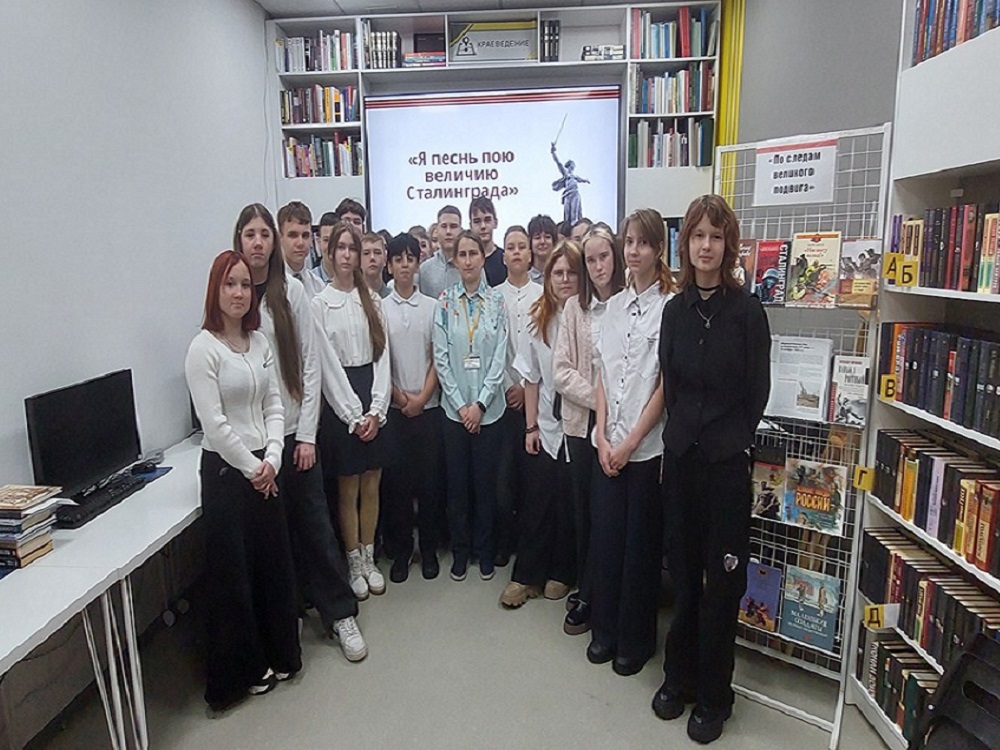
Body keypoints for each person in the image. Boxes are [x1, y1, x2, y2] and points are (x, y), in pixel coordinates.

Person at [653, 195, 771, 745]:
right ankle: (678, 677)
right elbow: (671, 384)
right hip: (681, 461)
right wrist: (689, 434)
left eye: (716, 237)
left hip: (724, 467)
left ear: (729, 246)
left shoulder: (748, 313)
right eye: (697, 236)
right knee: (682, 574)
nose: (706, 246)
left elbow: (756, 393)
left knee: (721, 583)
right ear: (686, 245)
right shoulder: (674, 311)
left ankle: (714, 695)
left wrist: (727, 440)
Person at [235, 203, 368, 662]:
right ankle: (283, 616)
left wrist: (307, 435)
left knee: (315, 527)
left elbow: (311, 367)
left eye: (263, 235)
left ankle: (340, 613)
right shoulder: (233, 294)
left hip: (294, 434)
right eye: (250, 234)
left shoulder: (291, 292)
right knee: (272, 538)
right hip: (254, 442)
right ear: (239, 240)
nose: (258, 243)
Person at [185, 250, 300, 710]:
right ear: (215, 290)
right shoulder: (203, 349)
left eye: (245, 285)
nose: (238, 293)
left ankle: (281, 652)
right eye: (229, 284)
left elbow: (274, 405)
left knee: (273, 566)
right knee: (235, 577)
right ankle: (245, 671)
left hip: (265, 468)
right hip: (228, 475)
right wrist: (254, 470)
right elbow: (214, 425)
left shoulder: (259, 342)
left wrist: (272, 457)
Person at [587, 208, 674, 678]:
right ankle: (605, 630)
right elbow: (603, 376)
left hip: (646, 450)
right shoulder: (612, 307)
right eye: (629, 242)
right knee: (607, 542)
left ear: (659, 248)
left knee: (639, 550)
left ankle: (635, 640)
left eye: (643, 242)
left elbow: (663, 385)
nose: (634, 251)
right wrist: (603, 436)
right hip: (608, 444)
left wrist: (630, 442)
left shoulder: (670, 307)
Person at [553, 225, 626, 636]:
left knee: (611, 516)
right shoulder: (573, 310)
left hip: (622, 431)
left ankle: (608, 592)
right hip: (582, 427)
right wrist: (601, 402)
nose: (598, 267)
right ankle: (587, 590)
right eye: (591, 260)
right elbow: (561, 372)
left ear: (616, 258)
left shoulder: (628, 305)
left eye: (604, 257)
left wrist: (614, 411)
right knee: (584, 514)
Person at [500, 240, 581, 608]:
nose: (564, 279)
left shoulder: (591, 317)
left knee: (569, 501)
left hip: (581, 426)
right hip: (546, 424)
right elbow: (530, 377)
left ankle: (562, 572)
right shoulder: (539, 317)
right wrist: (531, 427)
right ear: (547, 278)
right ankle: (527, 575)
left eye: (571, 273)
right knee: (538, 500)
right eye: (557, 273)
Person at [312, 221, 390, 600]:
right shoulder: (319, 304)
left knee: (371, 481)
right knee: (348, 486)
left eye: (352, 248)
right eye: (340, 248)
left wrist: (377, 409)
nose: (346, 255)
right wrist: (352, 415)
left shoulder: (373, 300)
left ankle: (370, 558)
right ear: (330, 254)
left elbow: (383, 357)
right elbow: (326, 365)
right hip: (340, 400)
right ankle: (354, 560)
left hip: (371, 394)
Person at [432, 231, 509, 582]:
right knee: (458, 487)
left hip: (489, 413)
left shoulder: (497, 302)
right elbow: (441, 358)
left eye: (473, 254)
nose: (467, 260)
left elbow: (499, 358)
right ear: (455, 260)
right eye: (461, 254)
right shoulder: (445, 302)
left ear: (482, 257)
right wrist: (462, 406)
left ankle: (485, 550)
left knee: (486, 486)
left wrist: (480, 404)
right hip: (454, 413)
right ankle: (461, 552)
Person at [381, 233, 443, 582]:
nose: (405, 265)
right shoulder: (380, 308)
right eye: (398, 259)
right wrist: (401, 398)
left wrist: (421, 398)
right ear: (389, 266)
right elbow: (380, 362)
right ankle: (402, 552)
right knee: (398, 487)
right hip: (395, 411)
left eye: (410, 259)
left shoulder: (432, 307)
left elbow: (438, 358)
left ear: (418, 264)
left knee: (430, 485)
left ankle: (429, 550)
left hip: (429, 409)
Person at [495, 225, 543, 566]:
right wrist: (507, 386)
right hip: (501, 401)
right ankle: (504, 541)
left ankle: (530, 542)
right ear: (503, 256)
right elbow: (489, 350)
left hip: (534, 401)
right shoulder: (492, 297)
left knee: (531, 480)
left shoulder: (543, 295)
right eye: (510, 247)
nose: (515, 252)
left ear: (530, 254)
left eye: (521, 246)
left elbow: (543, 348)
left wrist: (525, 387)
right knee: (502, 480)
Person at [278, 201, 326, 297]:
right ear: (280, 238)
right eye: (293, 235)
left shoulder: (318, 286)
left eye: (305, 235)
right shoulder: (272, 285)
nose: (300, 243)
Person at [419, 206, 464, 299]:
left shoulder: (473, 266)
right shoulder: (425, 269)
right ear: (437, 230)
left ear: (461, 230)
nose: (448, 231)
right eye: (444, 226)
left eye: (453, 226)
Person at [470, 196, 506, 287]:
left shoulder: (505, 259)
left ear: (495, 223)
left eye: (487, 220)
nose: (483, 226)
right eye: (477, 221)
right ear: (470, 225)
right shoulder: (466, 261)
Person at [551, 143, 590, 226]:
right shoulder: (566, 174)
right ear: (569, 165)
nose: (574, 165)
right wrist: (553, 152)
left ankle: (575, 226)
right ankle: (567, 228)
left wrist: (586, 180)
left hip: (575, 193)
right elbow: (558, 163)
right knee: (567, 214)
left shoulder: (575, 176)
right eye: (573, 164)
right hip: (567, 195)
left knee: (574, 214)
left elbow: (581, 179)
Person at [528, 214, 557, 284]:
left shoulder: (561, 278)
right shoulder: (524, 279)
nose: (542, 242)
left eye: (547, 237)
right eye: (537, 237)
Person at [361, 232, 390, 298]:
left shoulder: (393, 299)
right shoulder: (350, 298)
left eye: (377, 252)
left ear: (385, 259)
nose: (372, 257)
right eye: (366, 253)